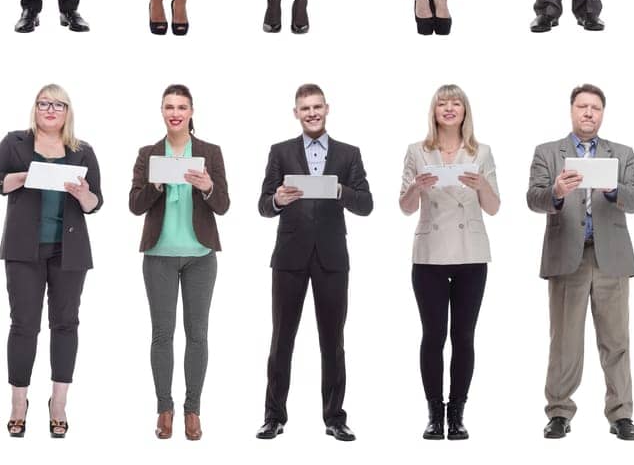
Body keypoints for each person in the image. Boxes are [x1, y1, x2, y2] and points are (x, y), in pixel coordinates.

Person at [256, 83, 372, 443]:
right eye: (304, 108)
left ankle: (335, 417)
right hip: (290, 258)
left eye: (317, 106)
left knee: (332, 341)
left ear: (327, 108)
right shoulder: (281, 152)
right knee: (282, 340)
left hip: (332, 258)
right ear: (296, 113)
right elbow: (263, 205)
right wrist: (276, 198)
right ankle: (273, 416)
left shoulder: (348, 154)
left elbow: (366, 203)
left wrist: (340, 191)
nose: (311, 113)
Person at [0, 85, 102, 439]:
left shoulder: (82, 151)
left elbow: (96, 202)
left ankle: (59, 402)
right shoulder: (14, 142)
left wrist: (84, 194)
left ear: (68, 112)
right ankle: (19, 403)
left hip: (69, 250)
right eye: (44, 104)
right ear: (35, 109)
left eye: (58, 105)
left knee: (66, 324)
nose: (50, 110)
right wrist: (20, 178)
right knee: (23, 325)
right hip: (24, 249)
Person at [527, 83, 634, 441]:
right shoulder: (548, 152)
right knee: (564, 340)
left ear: (602, 113)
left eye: (595, 107)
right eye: (582, 107)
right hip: (567, 257)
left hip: (610, 257)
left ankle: (621, 414)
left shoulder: (621, 154)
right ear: (572, 111)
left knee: (616, 341)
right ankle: (559, 412)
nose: (588, 113)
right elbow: (533, 198)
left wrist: (614, 190)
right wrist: (557, 194)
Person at [129, 84, 230, 441]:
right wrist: (155, 186)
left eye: (182, 107)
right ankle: (164, 409)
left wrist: (207, 187)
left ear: (191, 111)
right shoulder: (148, 154)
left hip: (200, 255)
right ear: (162, 111)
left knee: (198, 335)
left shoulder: (209, 152)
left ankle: (193, 410)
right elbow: (135, 205)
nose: (175, 112)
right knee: (162, 335)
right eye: (169, 106)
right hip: (159, 256)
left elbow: (223, 205)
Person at [398, 86, 499, 441]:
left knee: (464, 336)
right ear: (433, 111)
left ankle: (457, 414)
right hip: (429, 255)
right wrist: (418, 187)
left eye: (456, 102)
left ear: (465, 110)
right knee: (433, 336)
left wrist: (481, 183)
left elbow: (494, 206)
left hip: (471, 253)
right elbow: (405, 206)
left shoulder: (481, 152)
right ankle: (433, 414)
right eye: (443, 103)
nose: (449, 108)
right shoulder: (417, 151)